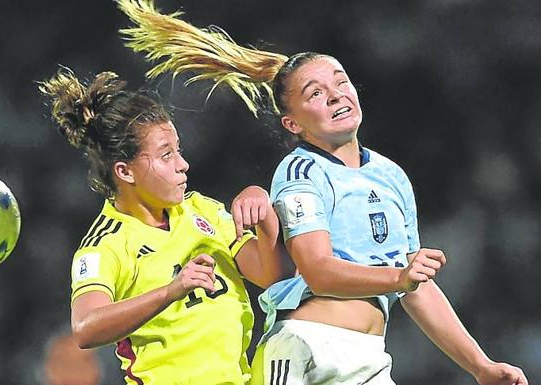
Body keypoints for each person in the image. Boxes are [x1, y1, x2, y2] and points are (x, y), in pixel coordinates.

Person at [115, 1, 529, 384]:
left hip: (369, 358)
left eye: (340, 81)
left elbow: (416, 289)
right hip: (305, 348)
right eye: (314, 93)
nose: (334, 94)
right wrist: (398, 278)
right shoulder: (302, 172)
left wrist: (481, 366)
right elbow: (317, 270)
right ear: (292, 123)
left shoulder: (391, 175)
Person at [38, 68, 294, 385]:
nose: (182, 164)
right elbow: (86, 327)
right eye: (166, 155)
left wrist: (265, 218)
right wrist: (171, 292)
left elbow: (271, 277)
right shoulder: (106, 245)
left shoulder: (202, 211)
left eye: (178, 150)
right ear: (125, 171)